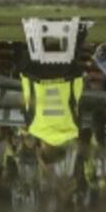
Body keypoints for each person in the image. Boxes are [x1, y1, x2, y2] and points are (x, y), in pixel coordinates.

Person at [18, 23, 89, 163]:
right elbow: (26, 102)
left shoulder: (74, 129)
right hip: (37, 75)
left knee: (73, 66)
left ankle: (81, 30)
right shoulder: (33, 128)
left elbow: (79, 105)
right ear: (44, 149)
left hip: (67, 74)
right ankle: (33, 32)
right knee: (24, 69)